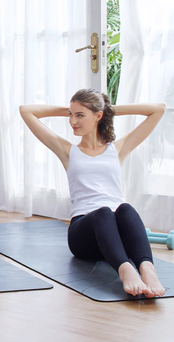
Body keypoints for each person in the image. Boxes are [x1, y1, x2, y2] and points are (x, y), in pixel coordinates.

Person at [20, 89, 166, 298]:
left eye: (79, 116)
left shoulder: (117, 149)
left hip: (115, 234)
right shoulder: (68, 151)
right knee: (104, 212)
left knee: (125, 208)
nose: (72, 122)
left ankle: (147, 269)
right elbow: (26, 111)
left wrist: (106, 109)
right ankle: (125, 270)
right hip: (84, 233)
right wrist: (74, 110)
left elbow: (157, 110)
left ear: (98, 116)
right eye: (71, 115)